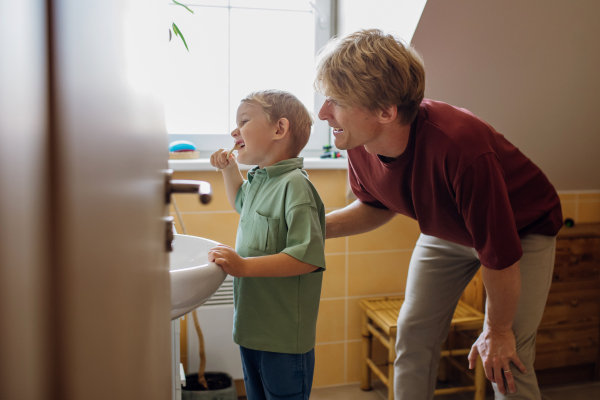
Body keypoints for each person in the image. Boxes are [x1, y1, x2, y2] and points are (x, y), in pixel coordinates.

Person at [315, 29, 562, 400]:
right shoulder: (356, 139)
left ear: (386, 111)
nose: (322, 113)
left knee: (506, 359)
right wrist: (312, 229)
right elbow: (377, 205)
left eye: (336, 101)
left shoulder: (462, 148)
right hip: (447, 230)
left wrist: (497, 329)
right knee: (413, 334)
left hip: (521, 231)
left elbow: (499, 252)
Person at [208, 90, 326, 400]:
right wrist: (229, 169)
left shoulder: (295, 186)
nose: (235, 131)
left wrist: (244, 266)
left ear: (279, 129)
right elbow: (240, 202)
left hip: (283, 338)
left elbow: (306, 258)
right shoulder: (261, 178)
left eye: (244, 121)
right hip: (252, 329)